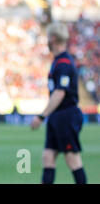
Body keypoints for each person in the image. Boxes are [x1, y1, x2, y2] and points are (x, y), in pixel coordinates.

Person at [31, 22, 87, 184]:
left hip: (66, 115)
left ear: (53, 38)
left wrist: (42, 116)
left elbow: (60, 92)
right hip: (58, 116)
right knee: (48, 156)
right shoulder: (58, 61)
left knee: (73, 159)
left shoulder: (63, 63)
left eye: (48, 37)